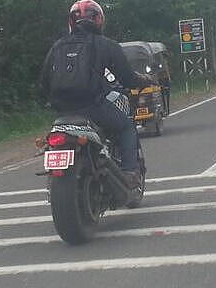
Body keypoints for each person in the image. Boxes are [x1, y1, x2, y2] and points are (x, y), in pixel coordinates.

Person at [41, 0, 152, 188]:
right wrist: (144, 81)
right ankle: (130, 172)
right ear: (99, 19)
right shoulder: (105, 44)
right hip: (92, 107)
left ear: (72, 21)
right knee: (126, 126)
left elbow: (44, 81)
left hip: (62, 113)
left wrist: (51, 103)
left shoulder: (57, 46)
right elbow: (127, 78)